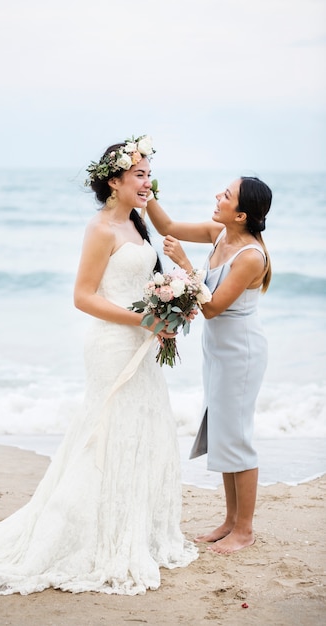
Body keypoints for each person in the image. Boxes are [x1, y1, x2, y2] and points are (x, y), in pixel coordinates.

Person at [0, 136, 198, 604]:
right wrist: (144, 318)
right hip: (111, 344)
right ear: (114, 179)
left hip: (141, 343)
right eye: (140, 174)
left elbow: (143, 284)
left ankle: (131, 530)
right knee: (105, 433)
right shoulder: (101, 228)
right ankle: (85, 536)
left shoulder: (138, 223)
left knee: (143, 428)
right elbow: (84, 297)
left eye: (149, 174)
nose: (148, 182)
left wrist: (166, 312)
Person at [146, 176, 272, 554]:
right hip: (219, 351)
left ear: (242, 214)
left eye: (227, 195)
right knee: (222, 431)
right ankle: (231, 520)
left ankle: (245, 530)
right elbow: (166, 227)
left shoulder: (250, 255)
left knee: (237, 437)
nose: (218, 196)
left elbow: (214, 308)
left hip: (241, 352)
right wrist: (146, 194)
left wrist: (184, 263)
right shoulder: (220, 233)